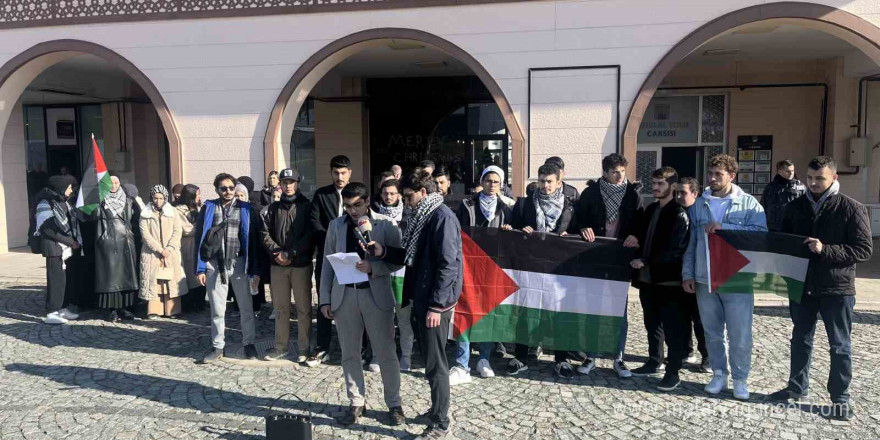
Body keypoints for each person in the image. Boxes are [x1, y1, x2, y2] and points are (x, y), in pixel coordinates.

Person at [772, 156, 872, 421]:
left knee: (839, 345)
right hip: (803, 284)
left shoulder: (852, 208)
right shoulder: (796, 207)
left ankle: (841, 399)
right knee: (800, 339)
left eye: (820, 179)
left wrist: (825, 249)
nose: (813, 183)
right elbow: (784, 240)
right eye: (810, 178)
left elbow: (864, 249)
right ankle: (797, 388)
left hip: (837, 288)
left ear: (834, 178)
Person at [369, 171, 463, 440]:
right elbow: (411, 254)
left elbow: (449, 266)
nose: (406, 202)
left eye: (408, 196)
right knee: (430, 362)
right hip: (422, 299)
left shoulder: (441, 217)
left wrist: (437, 306)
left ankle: (441, 423)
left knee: (436, 365)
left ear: (423, 192)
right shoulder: (424, 216)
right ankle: (436, 411)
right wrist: (383, 251)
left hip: (434, 304)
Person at [319, 182, 405, 426]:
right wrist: (325, 298)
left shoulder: (386, 224)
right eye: (348, 206)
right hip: (344, 296)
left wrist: (374, 267)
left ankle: (394, 403)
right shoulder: (336, 225)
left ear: (368, 201)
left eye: (357, 205)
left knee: (386, 353)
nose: (353, 211)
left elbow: (399, 259)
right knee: (349, 353)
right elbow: (326, 264)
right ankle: (356, 401)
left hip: (375, 294)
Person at [682, 154, 766, 400]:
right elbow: (693, 241)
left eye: (718, 174)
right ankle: (719, 373)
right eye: (710, 173)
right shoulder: (700, 204)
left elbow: (761, 235)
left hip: (737, 278)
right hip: (704, 277)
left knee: (740, 333)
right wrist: (688, 273)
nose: (712, 178)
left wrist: (727, 228)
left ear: (732, 175)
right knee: (712, 331)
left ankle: (740, 379)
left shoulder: (749, 203)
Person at [575, 153, 642, 378]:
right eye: (615, 171)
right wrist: (583, 228)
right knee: (593, 310)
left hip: (619, 260)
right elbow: (577, 221)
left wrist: (635, 236)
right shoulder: (590, 193)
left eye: (623, 170)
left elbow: (640, 225)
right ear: (605, 172)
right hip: (593, 259)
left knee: (618, 312)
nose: (620, 174)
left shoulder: (633, 195)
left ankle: (618, 357)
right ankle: (590, 355)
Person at [507, 163, 577, 377]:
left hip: (559, 270)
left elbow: (580, 232)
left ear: (558, 183)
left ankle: (562, 359)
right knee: (525, 312)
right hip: (531, 267)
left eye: (549, 182)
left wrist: (571, 236)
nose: (545, 186)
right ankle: (521, 356)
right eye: (541, 181)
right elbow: (511, 232)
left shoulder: (571, 206)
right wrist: (519, 231)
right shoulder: (523, 204)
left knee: (558, 314)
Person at [627, 167, 690, 392]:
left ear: (673, 186)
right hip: (647, 280)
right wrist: (635, 239)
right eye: (653, 183)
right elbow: (641, 235)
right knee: (651, 323)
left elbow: (675, 249)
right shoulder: (651, 208)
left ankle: (673, 372)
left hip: (669, 281)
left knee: (673, 328)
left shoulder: (679, 213)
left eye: (660, 184)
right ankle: (654, 361)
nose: (655, 187)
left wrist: (645, 261)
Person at [452, 165, 513, 383]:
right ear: (482, 181)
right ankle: (461, 363)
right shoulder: (466, 204)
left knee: (487, 314)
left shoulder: (507, 208)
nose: (491, 185)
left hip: (493, 269)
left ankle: (484, 359)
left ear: (501, 184)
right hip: (468, 267)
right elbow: (456, 231)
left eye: (496, 182)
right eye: (488, 180)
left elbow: (514, 238)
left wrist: (509, 231)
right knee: (465, 313)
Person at [195, 173, 262, 363]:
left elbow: (253, 241)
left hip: (240, 263)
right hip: (214, 264)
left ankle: (249, 344)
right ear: (217, 189)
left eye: (231, 188)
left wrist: (255, 270)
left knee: (246, 307)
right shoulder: (209, 207)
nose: (228, 191)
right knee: (217, 309)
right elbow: (200, 238)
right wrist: (200, 268)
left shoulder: (246, 209)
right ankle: (218, 346)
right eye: (223, 188)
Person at [261, 168, 315, 363]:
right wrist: (277, 252)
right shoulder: (273, 208)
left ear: (297, 183)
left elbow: (310, 235)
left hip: (300, 264)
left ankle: (304, 348)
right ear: (279, 185)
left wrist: (291, 253)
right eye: (284, 182)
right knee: (281, 308)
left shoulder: (307, 206)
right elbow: (264, 233)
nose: (288, 186)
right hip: (278, 265)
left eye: (291, 182)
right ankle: (280, 347)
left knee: (303, 309)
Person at [308, 155, 353, 366]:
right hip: (327, 255)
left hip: (351, 257)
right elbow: (314, 221)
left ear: (350, 173)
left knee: (353, 301)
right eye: (336, 172)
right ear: (331, 173)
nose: (340, 176)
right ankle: (322, 347)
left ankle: (355, 348)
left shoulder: (356, 194)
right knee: (324, 299)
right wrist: (331, 239)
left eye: (343, 173)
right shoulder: (321, 194)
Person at [91, 174, 140, 322]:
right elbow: (92, 216)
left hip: (125, 241)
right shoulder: (101, 200)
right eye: (111, 182)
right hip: (108, 241)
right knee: (111, 277)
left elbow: (137, 218)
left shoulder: (129, 199)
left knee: (125, 276)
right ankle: (111, 310)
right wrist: (96, 199)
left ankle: (124, 308)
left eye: (116, 181)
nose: (114, 184)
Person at [34, 175, 81, 324]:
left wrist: (75, 240)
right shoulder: (45, 203)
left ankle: (62, 308)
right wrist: (69, 241)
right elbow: (47, 229)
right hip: (53, 247)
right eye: (69, 187)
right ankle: (52, 311)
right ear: (60, 187)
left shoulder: (64, 202)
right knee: (55, 280)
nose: (71, 190)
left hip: (66, 248)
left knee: (64, 281)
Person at [673, 177, 709, 372]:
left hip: (697, 272)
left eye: (683, 193)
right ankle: (687, 351)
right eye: (677, 192)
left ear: (695, 194)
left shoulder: (700, 213)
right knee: (682, 316)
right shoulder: (675, 211)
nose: (679, 196)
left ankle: (708, 356)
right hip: (677, 272)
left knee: (700, 318)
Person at [139, 185, 187, 319]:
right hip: (152, 253)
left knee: (171, 280)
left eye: (161, 198)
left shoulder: (173, 212)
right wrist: (159, 249)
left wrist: (169, 248)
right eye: (155, 198)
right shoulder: (145, 213)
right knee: (155, 281)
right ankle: (154, 310)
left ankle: (173, 310)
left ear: (165, 198)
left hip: (170, 252)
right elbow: (145, 234)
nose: (158, 201)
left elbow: (178, 231)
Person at [177, 184, 206, 313]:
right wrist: (200, 228)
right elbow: (185, 229)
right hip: (187, 245)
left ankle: (201, 301)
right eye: (197, 194)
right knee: (189, 273)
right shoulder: (179, 210)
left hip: (199, 243)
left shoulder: (199, 208)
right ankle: (190, 302)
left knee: (200, 271)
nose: (199, 196)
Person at [761, 159, 806, 232]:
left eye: (792, 171)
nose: (791, 173)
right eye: (788, 171)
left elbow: (806, 207)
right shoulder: (770, 187)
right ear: (779, 171)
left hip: (793, 228)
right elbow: (763, 207)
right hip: (774, 228)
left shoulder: (800, 187)